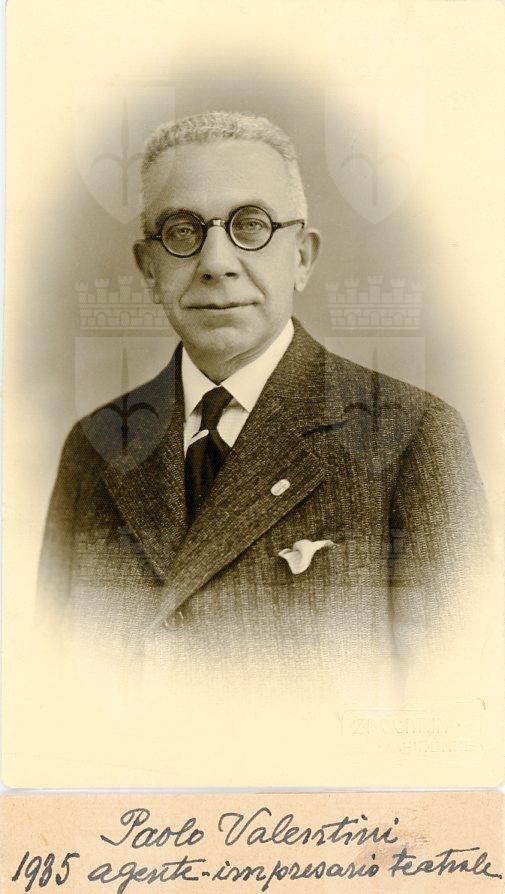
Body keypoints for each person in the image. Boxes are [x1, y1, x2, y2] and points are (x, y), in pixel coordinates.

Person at [38, 111, 488, 688]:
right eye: (182, 231)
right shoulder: (97, 445)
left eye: (250, 226)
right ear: (149, 270)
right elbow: (49, 692)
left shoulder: (412, 436)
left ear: (301, 257)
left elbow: (448, 701)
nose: (216, 264)